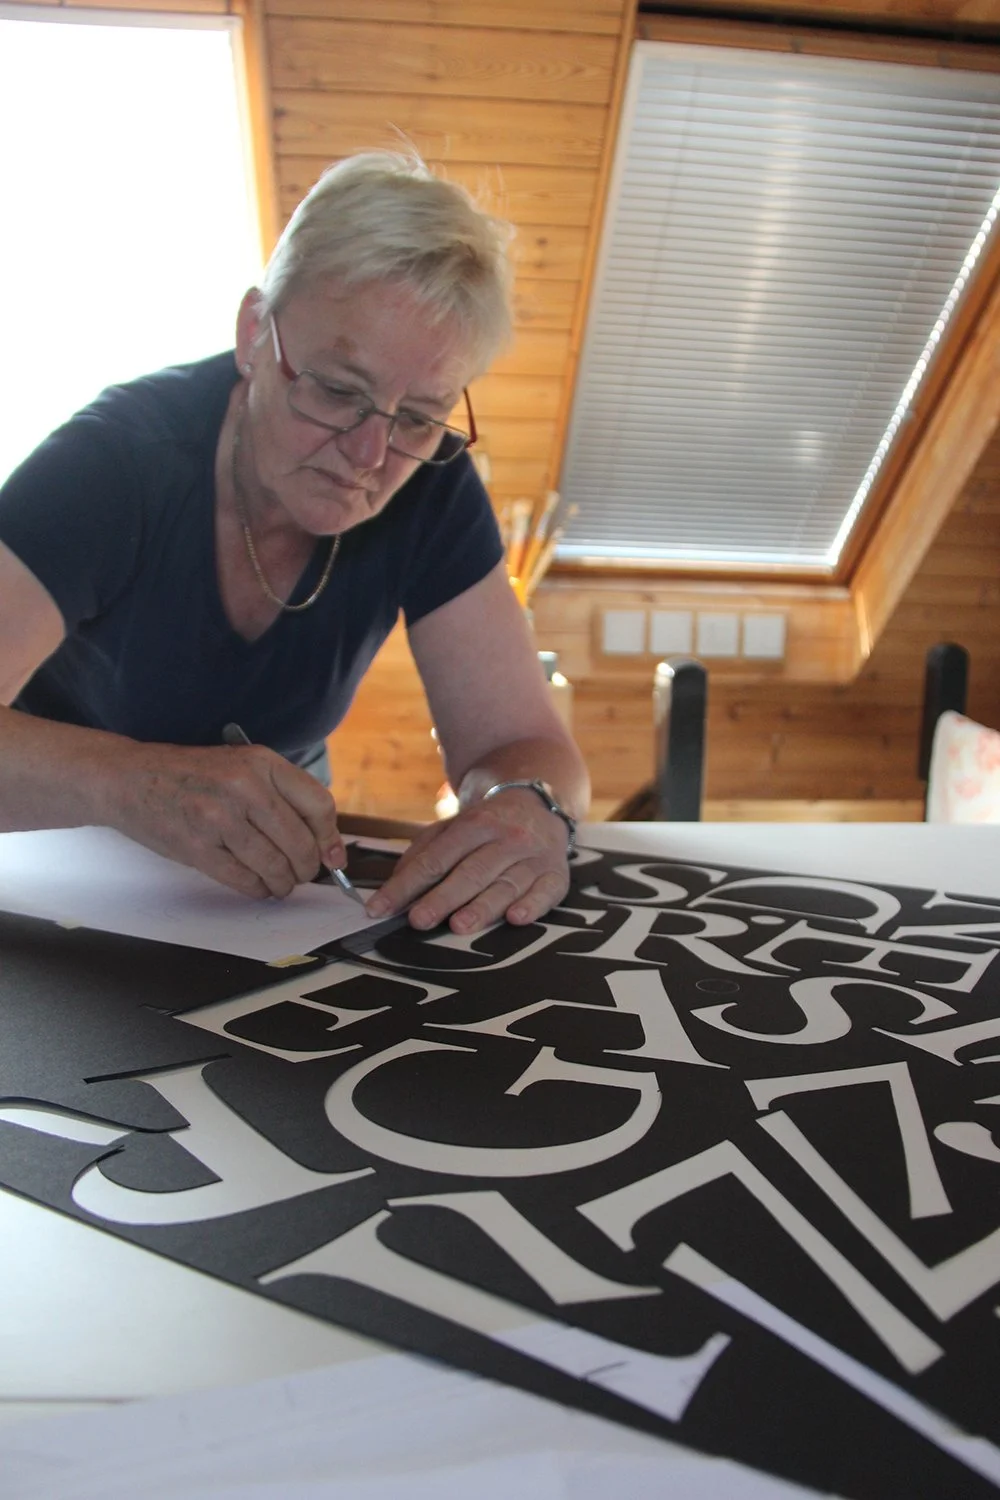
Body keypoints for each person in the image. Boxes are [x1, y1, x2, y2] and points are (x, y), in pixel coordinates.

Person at [0, 150, 589, 935]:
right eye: (340, 391)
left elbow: (525, 741)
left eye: (418, 415)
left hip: (265, 873)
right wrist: (125, 782)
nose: (371, 457)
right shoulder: (112, 464)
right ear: (254, 333)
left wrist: (529, 809)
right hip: (59, 856)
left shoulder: (433, 479)